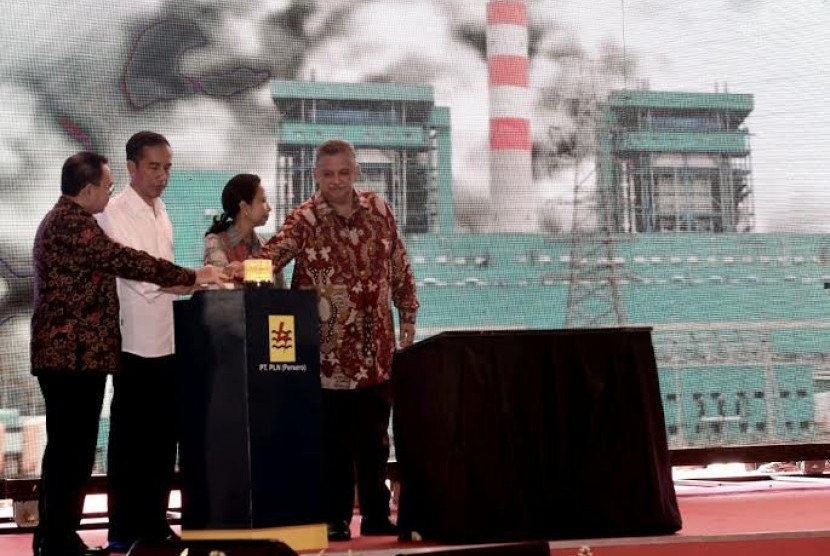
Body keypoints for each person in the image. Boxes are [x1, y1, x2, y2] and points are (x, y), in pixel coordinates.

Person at [30, 151, 227, 556]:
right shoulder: (73, 226)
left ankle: (58, 536)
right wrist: (192, 276)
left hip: (79, 358)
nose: (110, 191)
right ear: (87, 190)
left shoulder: (72, 221)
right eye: (106, 185)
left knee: (73, 450)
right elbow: (127, 260)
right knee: (71, 453)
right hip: (72, 358)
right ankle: (55, 538)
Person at [261, 138, 419, 541]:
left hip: (376, 348)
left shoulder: (379, 210)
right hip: (327, 355)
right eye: (328, 174)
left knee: (374, 442)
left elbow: (398, 263)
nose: (336, 181)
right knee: (330, 442)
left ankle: (376, 515)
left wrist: (408, 313)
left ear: (356, 172)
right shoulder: (305, 218)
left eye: (343, 173)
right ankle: (332, 517)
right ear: (316, 176)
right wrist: (226, 271)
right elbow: (272, 255)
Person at [95, 131, 190, 552]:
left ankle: (154, 522)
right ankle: (124, 529)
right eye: (154, 167)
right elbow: (139, 276)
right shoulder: (114, 213)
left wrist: (187, 284)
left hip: (168, 342)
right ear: (131, 167)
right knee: (131, 444)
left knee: (162, 442)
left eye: (167, 167)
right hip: (133, 344)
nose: (162, 175)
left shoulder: (161, 209)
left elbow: (163, 272)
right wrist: (192, 281)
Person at [203, 173, 285, 288]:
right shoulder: (216, 241)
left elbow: (282, 293)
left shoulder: (266, 245)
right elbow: (223, 286)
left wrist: (247, 270)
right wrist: (262, 270)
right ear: (245, 207)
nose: (269, 208)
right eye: (263, 201)